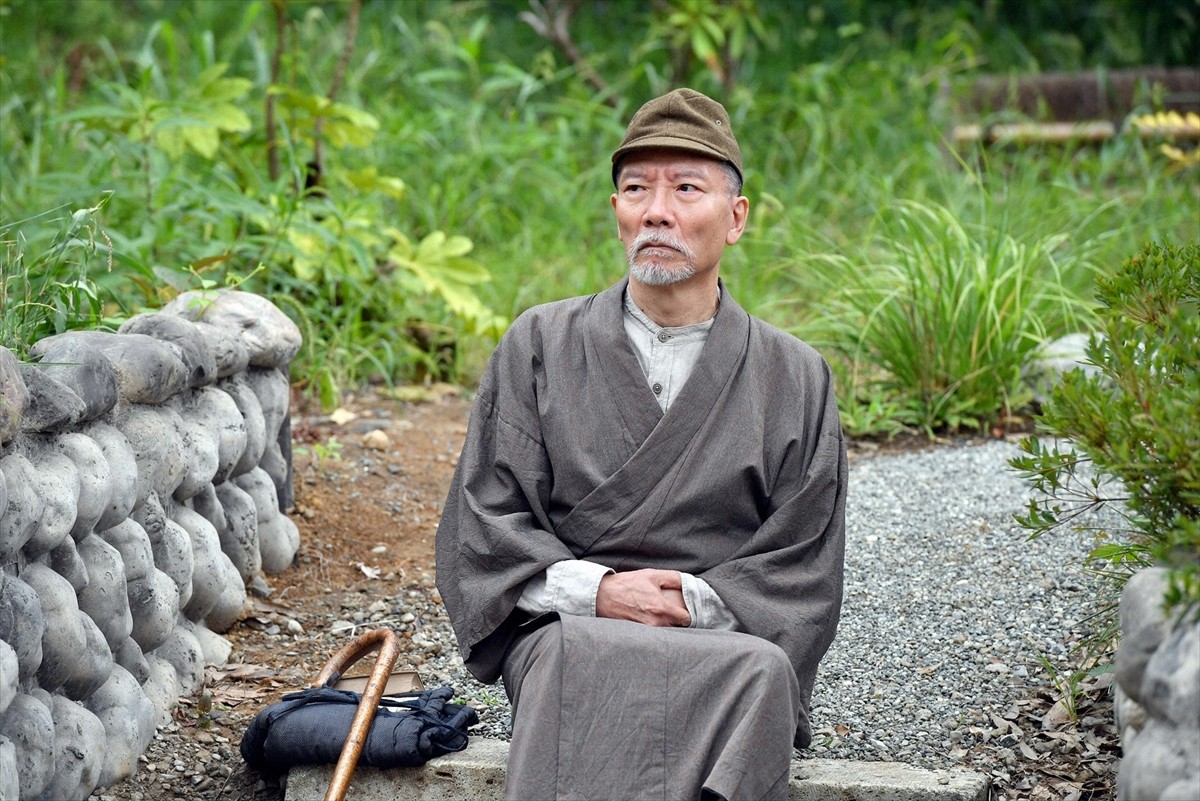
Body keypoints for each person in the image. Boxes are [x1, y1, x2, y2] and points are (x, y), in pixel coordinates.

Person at [435, 87, 847, 801]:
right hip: (572, 627)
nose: (657, 210)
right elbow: (484, 524)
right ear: (617, 210)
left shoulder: (797, 376)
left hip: (727, 635)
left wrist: (691, 601)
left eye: (686, 187)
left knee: (763, 673)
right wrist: (598, 590)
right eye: (635, 188)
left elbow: (803, 562)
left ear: (736, 217)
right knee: (567, 654)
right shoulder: (539, 343)